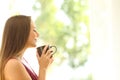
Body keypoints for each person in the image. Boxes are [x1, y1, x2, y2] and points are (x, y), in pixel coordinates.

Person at [0, 15, 54, 80]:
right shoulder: (13, 64)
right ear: (21, 33)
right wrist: (43, 68)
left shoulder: (22, 61)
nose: (38, 34)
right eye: (34, 30)